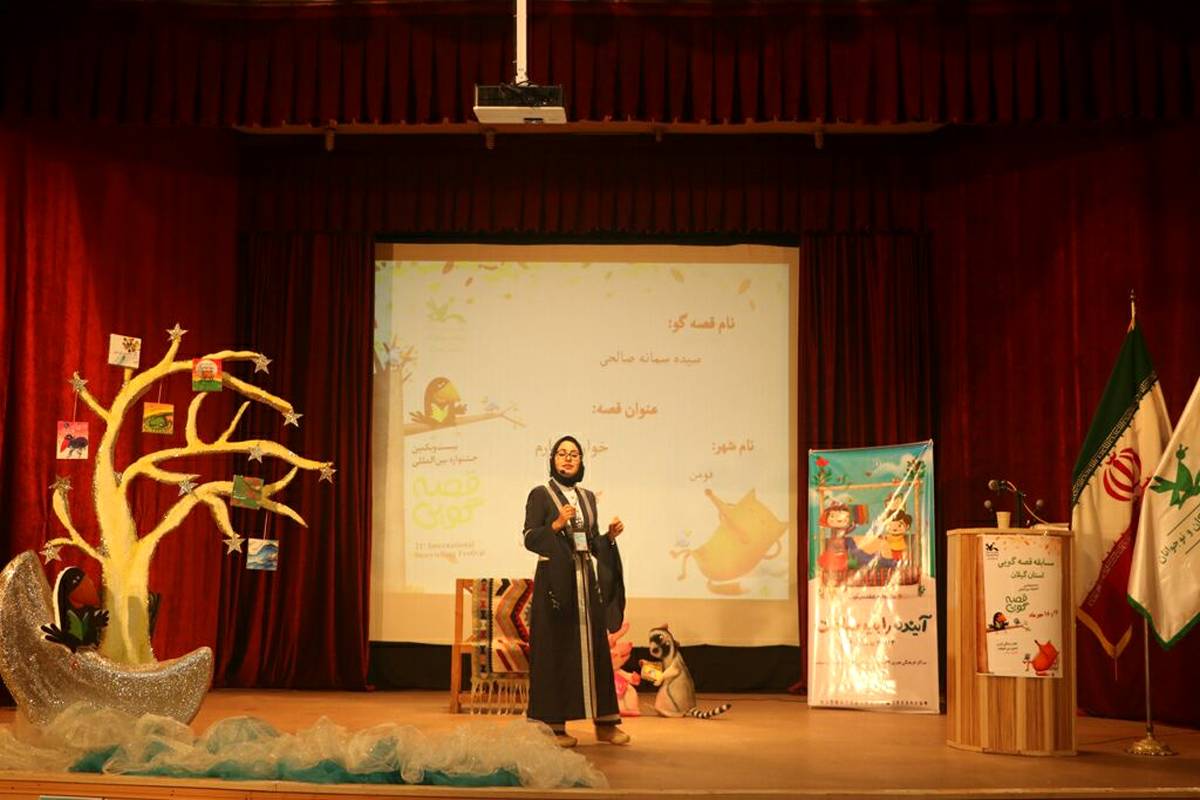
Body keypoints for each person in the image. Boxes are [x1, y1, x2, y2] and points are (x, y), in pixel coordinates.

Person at [522, 435, 629, 747]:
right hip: (555, 584)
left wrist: (609, 537)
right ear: (552, 460)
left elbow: (590, 542)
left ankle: (605, 724)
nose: (568, 459)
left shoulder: (588, 497)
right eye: (562, 454)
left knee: (596, 649)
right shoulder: (540, 494)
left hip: (584, 581)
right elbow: (529, 538)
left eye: (574, 454)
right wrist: (556, 524)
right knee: (556, 650)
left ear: (581, 461)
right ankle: (553, 727)